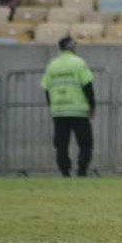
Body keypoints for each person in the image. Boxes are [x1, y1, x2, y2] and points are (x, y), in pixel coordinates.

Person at [42, 36, 95, 177]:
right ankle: (82, 171)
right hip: (78, 110)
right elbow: (87, 85)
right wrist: (92, 105)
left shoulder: (52, 65)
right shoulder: (78, 63)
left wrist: (52, 107)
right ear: (71, 47)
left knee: (61, 144)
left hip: (59, 111)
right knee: (85, 143)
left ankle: (65, 172)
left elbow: (46, 88)